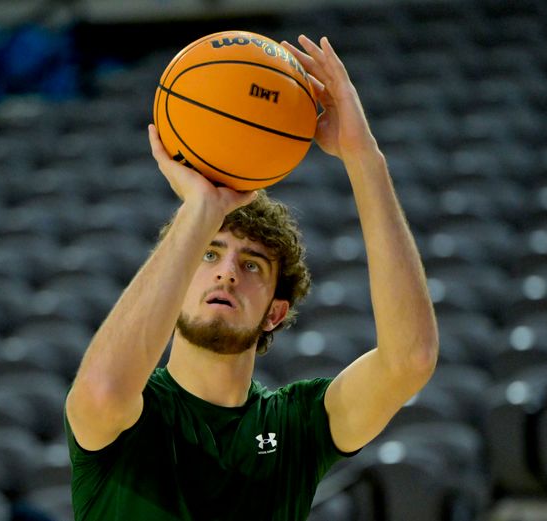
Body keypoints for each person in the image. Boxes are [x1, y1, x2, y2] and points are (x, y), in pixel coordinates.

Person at [64, 34, 439, 521]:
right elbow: (102, 391)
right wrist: (200, 210)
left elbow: (410, 359)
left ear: (275, 313)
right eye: (208, 254)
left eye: (252, 265)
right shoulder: (132, 415)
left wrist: (363, 156)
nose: (227, 272)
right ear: (173, 286)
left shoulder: (296, 425)